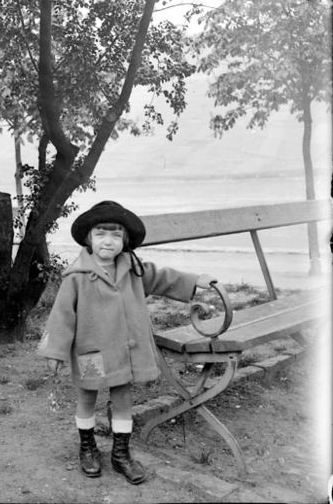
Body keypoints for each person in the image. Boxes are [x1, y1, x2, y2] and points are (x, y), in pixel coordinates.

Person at [38, 201, 216, 484]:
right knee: (87, 397)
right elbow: (61, 316)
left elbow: (163, 278)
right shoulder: (76, 277)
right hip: (90, 353)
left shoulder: (133, 269)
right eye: (100, 233)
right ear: (88, 239)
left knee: (123, 399)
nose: (108, 241)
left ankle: (121, 455)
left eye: (116, 234)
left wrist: (195, 281)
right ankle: (87, 447)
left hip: (124, 350)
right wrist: (56, 351)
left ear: (125, 241)